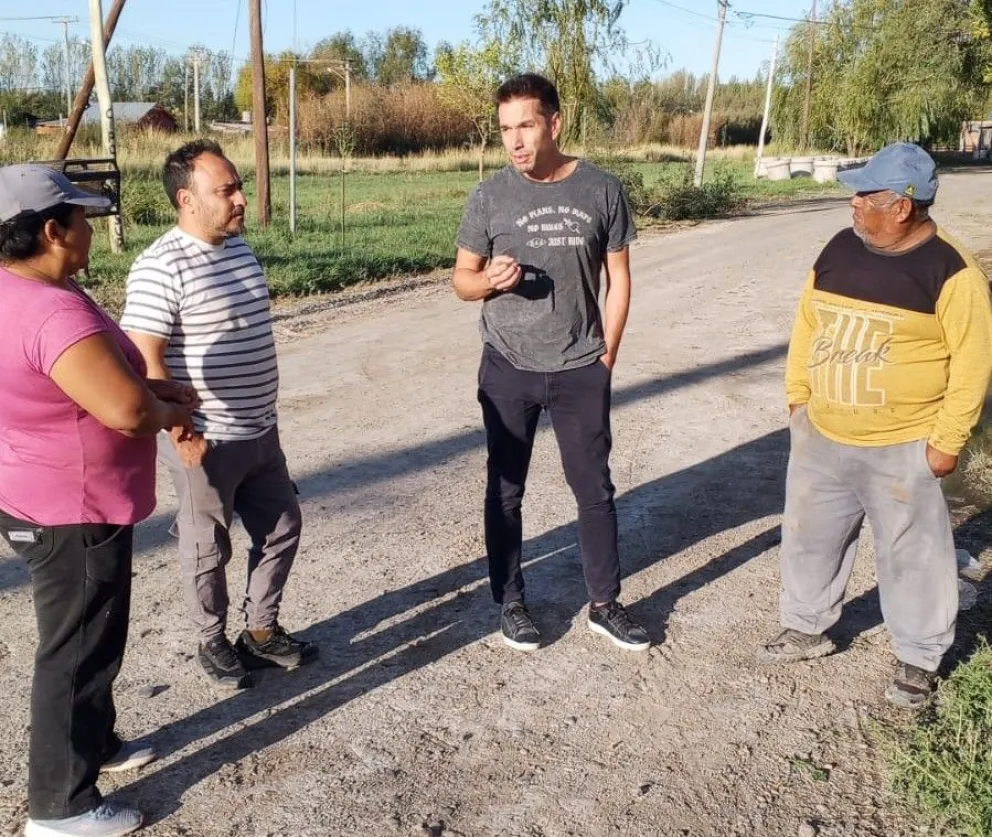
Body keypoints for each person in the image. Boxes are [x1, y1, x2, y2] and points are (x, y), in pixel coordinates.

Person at [758, 143, 992, 708]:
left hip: (903, 445)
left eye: (865, 195)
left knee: (913, 555)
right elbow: (807, 324)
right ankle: (807, 626)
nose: (853, 204)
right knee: (811, 540)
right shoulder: (840, 248)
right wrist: (798, 400)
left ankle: (918, 658)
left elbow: (973, 364)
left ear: (903, 205)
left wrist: (946, 441)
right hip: (823, 435)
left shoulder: (952, 273)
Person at [0, 165, 197, 837]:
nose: (91, 228)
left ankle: (96, 742)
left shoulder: (16, 288)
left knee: (91, 635)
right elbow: (120, 407)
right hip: (73, 507)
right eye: (82, 219)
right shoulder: (49, 310)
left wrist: (157, 398)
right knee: (76, 649)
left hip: (35, 490)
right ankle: (60, 808)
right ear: (52, 231)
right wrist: (164, 406)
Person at [452, 73, 648, 652]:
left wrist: (606, 355)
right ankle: (510, 601)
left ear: (554, 123)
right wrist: (486, 281)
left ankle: (605, 604)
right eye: (506, 129)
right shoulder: (489, 196)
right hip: (508, 365)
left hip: (580, 366)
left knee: (594, 489)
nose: (515, 141)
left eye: (526, 126)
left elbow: (620, 279)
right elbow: (460, 281)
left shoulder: (601, 190)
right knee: (506, 489)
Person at [122, 140, 316, 691]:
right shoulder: (160, 266)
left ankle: (260, 633)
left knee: (282, 527)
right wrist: (180, 430)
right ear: (186, 199)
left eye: (238, 186)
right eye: (225, 190)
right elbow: (147, 359)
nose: (240, 199)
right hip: (204, 437)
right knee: (208, 543)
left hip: (260, 428)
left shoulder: (240, 250)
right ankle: (212, 639)